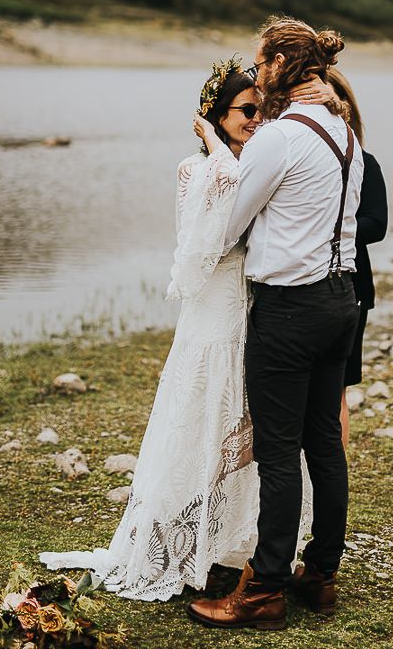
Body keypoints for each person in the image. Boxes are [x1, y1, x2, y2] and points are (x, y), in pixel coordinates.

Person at [38, 57, 314, 601]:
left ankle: (233, 544)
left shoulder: (255, 165)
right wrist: (214, 144)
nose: (257, 121)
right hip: (214, 317)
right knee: (198, 426)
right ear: (214, 116)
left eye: (263, 111)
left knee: (249, 432)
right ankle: (174, 542)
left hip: (255, 316)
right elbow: (209, 242)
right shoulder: (198, 168)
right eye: (245, 112)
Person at [187, 16, 364, 631]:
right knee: (324, 441)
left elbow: (231, 222)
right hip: (342, 301)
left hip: (289, 309)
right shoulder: (345, 134)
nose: (256, 78)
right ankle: (320, 573)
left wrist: (215, 154)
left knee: (279, 451)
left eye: (261, 65)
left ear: (280, 67)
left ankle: (261, 591)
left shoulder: (279, 137)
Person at [290, 69, 389, 448]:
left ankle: (329, 473)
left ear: (343, 107)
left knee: (335, 392)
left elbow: (376, 225)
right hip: (297, 286)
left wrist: (320, 229)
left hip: (350, 288)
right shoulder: (297, 160)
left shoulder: (365, 162)